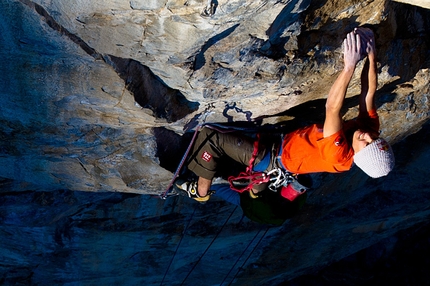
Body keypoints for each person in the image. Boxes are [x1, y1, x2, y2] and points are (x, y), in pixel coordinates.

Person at [174, 27, 395, 204]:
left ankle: (201, 191)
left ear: (359, 156)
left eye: (367, 143)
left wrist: (349, 67)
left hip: (272, 157)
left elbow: (332, 108)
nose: (367, 135)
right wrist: (371, 54)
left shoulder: (338, 156)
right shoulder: (369, 132)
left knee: (213, 138)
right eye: (375, 138)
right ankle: (228, 180)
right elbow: (368, 94)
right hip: (281, 146)